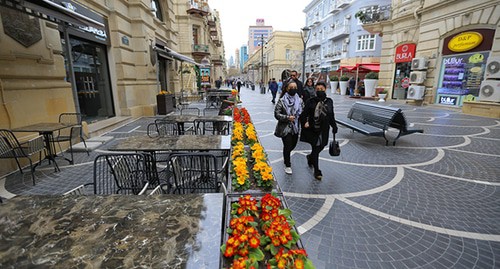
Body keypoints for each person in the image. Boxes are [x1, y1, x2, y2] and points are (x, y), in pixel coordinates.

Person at [299, 81, 338, 180]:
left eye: (322, 89)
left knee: (322, 145)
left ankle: (310, 157)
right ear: (315, 90)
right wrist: (305, 123)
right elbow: (303, 115)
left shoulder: (329, 101)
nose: (320, 91)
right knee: (316, 149)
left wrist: (334, 126)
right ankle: (317, 171)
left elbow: (331, 115)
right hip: (313, 129)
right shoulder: (311, 101)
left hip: (324, 129)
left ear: (325, 89)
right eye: (318, 89)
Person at [274, 80, 303, 175]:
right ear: (287, 89)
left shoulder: (300, 100)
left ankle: (286, 155)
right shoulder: (282, 101)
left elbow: (302, 112)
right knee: (287, 146)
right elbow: (277, 114)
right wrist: (287, 118)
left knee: (293, 145)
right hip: (285, 128)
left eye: (295, 88)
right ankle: (287, 164)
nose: (293, 89)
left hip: (295, 127)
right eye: (291, 88)